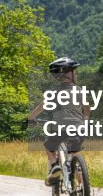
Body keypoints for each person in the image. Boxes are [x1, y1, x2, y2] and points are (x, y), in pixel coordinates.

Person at [28, 57, 90, 185]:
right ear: (68, 74)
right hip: (79, 129)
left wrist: (30, 118)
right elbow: (87, 109)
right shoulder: (79, 90)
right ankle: (85, 189)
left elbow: (42, 106)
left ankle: (55, 166)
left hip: (61, 130)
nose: (76, 74)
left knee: (50, 148)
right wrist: (85, 121)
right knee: (75, 155)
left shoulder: (54, 92)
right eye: (74, 71)